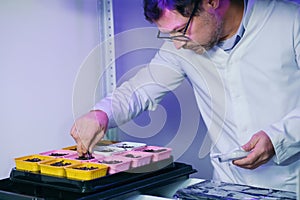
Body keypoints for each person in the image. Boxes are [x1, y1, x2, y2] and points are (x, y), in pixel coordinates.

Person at [71, 0, 300, 192]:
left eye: (180, 30)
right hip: (228, 186)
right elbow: (139, 89)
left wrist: (278, 138)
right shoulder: (180, 45)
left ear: (212, 2)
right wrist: (100, 114)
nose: (177, 45)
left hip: (292, 185)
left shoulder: (290, 21)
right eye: (169, 34)